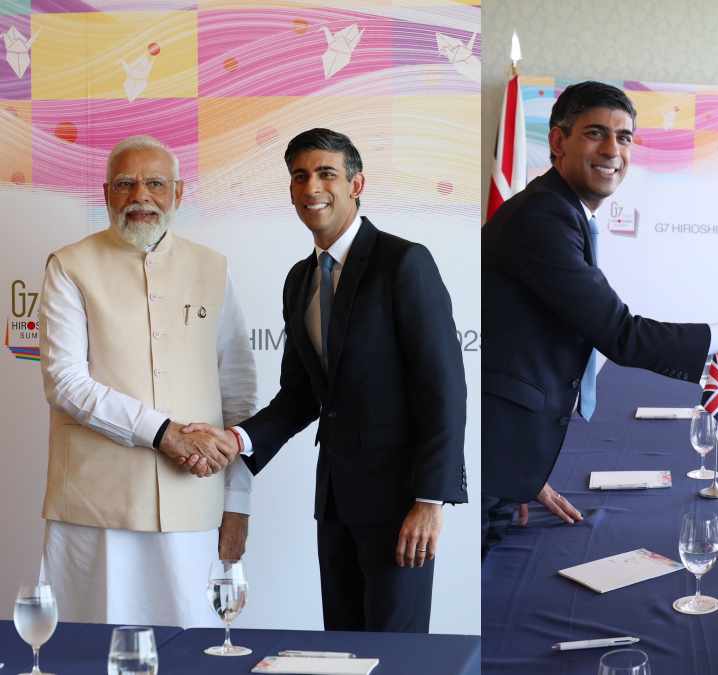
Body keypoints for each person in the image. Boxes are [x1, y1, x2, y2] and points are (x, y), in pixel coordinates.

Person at [481, 81, 718, 553]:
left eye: (624, 137)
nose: (613, 150)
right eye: (595, 133)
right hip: (488, 455)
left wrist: (522, 472)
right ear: (557, 141)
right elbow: (622, 335)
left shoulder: (560, 210)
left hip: (507, 456)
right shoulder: (543, 218)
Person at [186, 128, 467, 633]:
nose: (312, 186)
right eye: (300, 176)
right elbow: (300, 396)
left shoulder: (404, 262)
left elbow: (444, 387)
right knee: (340, 648)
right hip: (334, 503)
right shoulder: (299, 280)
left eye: (326, 173)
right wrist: (236, 440)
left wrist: (430, 500)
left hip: (401, 507)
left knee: (398, 658)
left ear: (356, 184)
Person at [38, 135, 255, 626]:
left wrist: (238, 505)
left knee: (196, 652)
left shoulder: (213, 268)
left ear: (178, 194)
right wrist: (165, 433)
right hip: (94, 511)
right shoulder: (69, 265)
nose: (141, 195)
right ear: (106, 194)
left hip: (194, 505)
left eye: (156, 183)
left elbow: (238, 395)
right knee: (91, 653)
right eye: (125, 183)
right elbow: (65, 381)